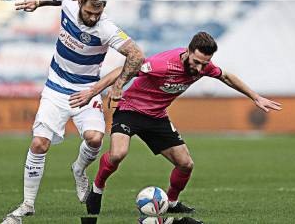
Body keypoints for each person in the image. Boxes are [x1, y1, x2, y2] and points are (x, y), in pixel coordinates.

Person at [69, 31, 282, 215]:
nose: (200, 69)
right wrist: (95, 91)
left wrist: (255, 96)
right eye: (196, 62)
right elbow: (125, 68)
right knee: (117, 154)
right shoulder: (162, 65)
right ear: (188, 51)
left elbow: (226, 76)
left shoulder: (204, 67)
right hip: (130, 110)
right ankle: (97, 188)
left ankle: (171, 203)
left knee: (186, 163)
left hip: (157, 117)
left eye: (204, 64)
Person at [0, 0, 144, 222]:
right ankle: (27, 204)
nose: (93, 17)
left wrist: (117, 86)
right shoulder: (68, 3)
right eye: (89, 12)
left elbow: (136, 55)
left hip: (87, 90)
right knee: (39, 143)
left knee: (95, 138)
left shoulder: (105, 28)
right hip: (55, 88)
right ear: (79, 4)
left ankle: (78, 170)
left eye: (97, 13)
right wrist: (36, 2)